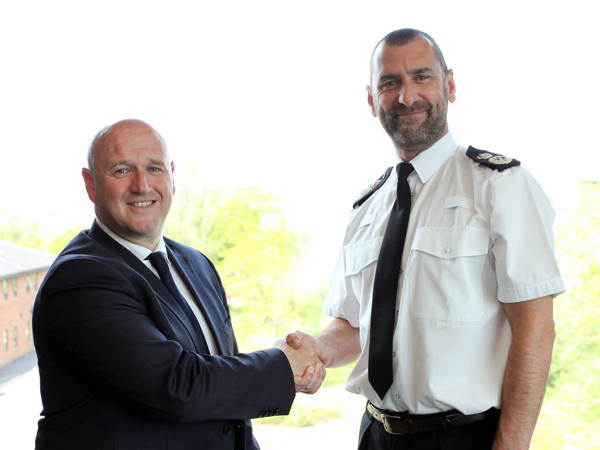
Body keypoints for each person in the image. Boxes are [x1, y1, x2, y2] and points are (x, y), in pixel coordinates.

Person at [287, 28, 564, 449]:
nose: (406, 96)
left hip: (464, 437)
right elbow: (356, 323)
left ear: (449, 85)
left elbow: (535, 328)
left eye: (422, 77)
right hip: (375, 435)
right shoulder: (366, 208)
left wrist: (511, 445)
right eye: (390, 83)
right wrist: (318, 348)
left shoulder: (500, 186)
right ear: (371, 99)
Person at [32, 119, 325, 450]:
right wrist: (282, 365)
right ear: (90, 183)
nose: (142, 185)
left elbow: (221, 393)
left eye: (154, 168)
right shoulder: (79, 279)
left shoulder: (196, 263)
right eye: (121, 170)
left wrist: (287, 366)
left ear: (171, 176)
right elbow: (175, 386)